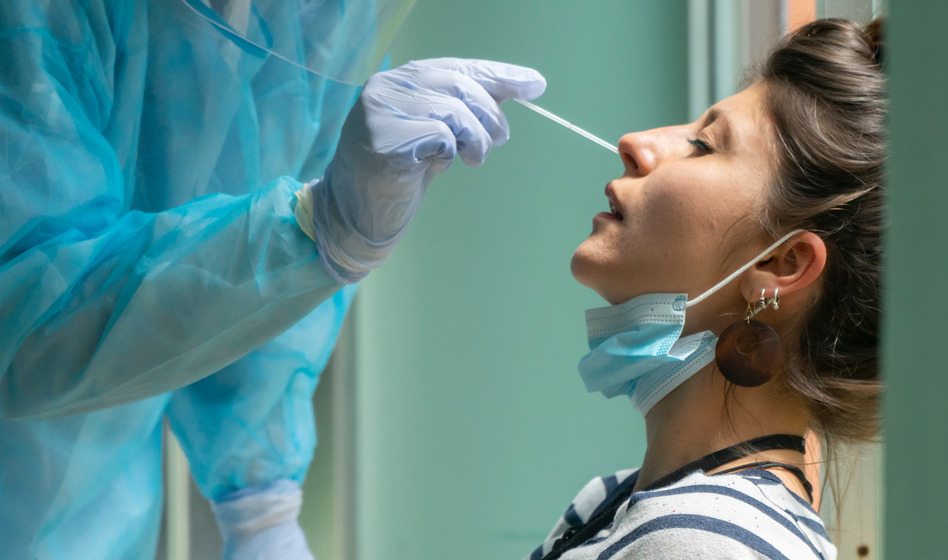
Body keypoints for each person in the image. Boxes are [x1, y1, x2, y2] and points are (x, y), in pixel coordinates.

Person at [0, 1, 545, 558]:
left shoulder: (329, 20)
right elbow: (21, 323)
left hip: (105, 502)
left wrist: (262, 507)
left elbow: (248, 306)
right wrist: (315, 227)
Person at [526, 18, 883, 559]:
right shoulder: (614, 503)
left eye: (702, 144)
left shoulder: (706, 544)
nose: (635, 144)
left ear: (782, 263)